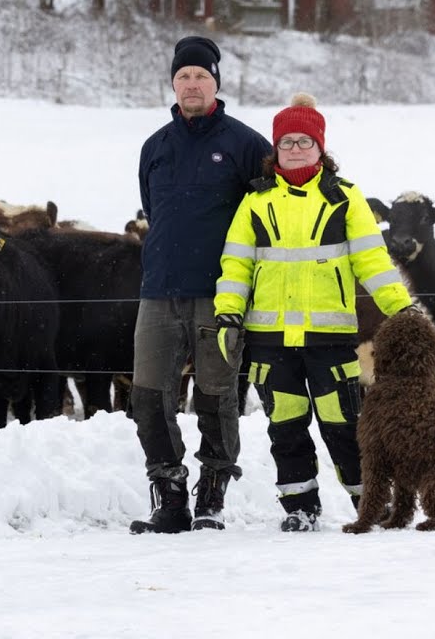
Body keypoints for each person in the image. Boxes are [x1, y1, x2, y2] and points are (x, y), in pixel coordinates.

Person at [213, 92, 414, 532]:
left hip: (330, 338)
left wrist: (402, 310)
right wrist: (228, 313)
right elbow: (236, 264)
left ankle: (370, 502)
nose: (296, 148)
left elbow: (372, 261)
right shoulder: (256, 201)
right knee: (285, 428)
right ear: (276, 149)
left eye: (305, 141)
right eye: (287, 142)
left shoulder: (345, 197)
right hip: (270, 339)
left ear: (320, 147)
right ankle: (300, 508)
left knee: (344, 424)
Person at [129, 36, 273, 534]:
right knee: (149, 396)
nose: (192, 84)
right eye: (183, 76)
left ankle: (212, 493)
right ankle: (169, 495)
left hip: (221, 293)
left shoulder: (247, 145)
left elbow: (266, 219)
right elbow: (153, 210)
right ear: (173, 84)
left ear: (216, 83)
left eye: (201, 76)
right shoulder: (155, 147)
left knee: (217, 395)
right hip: (159, 290)